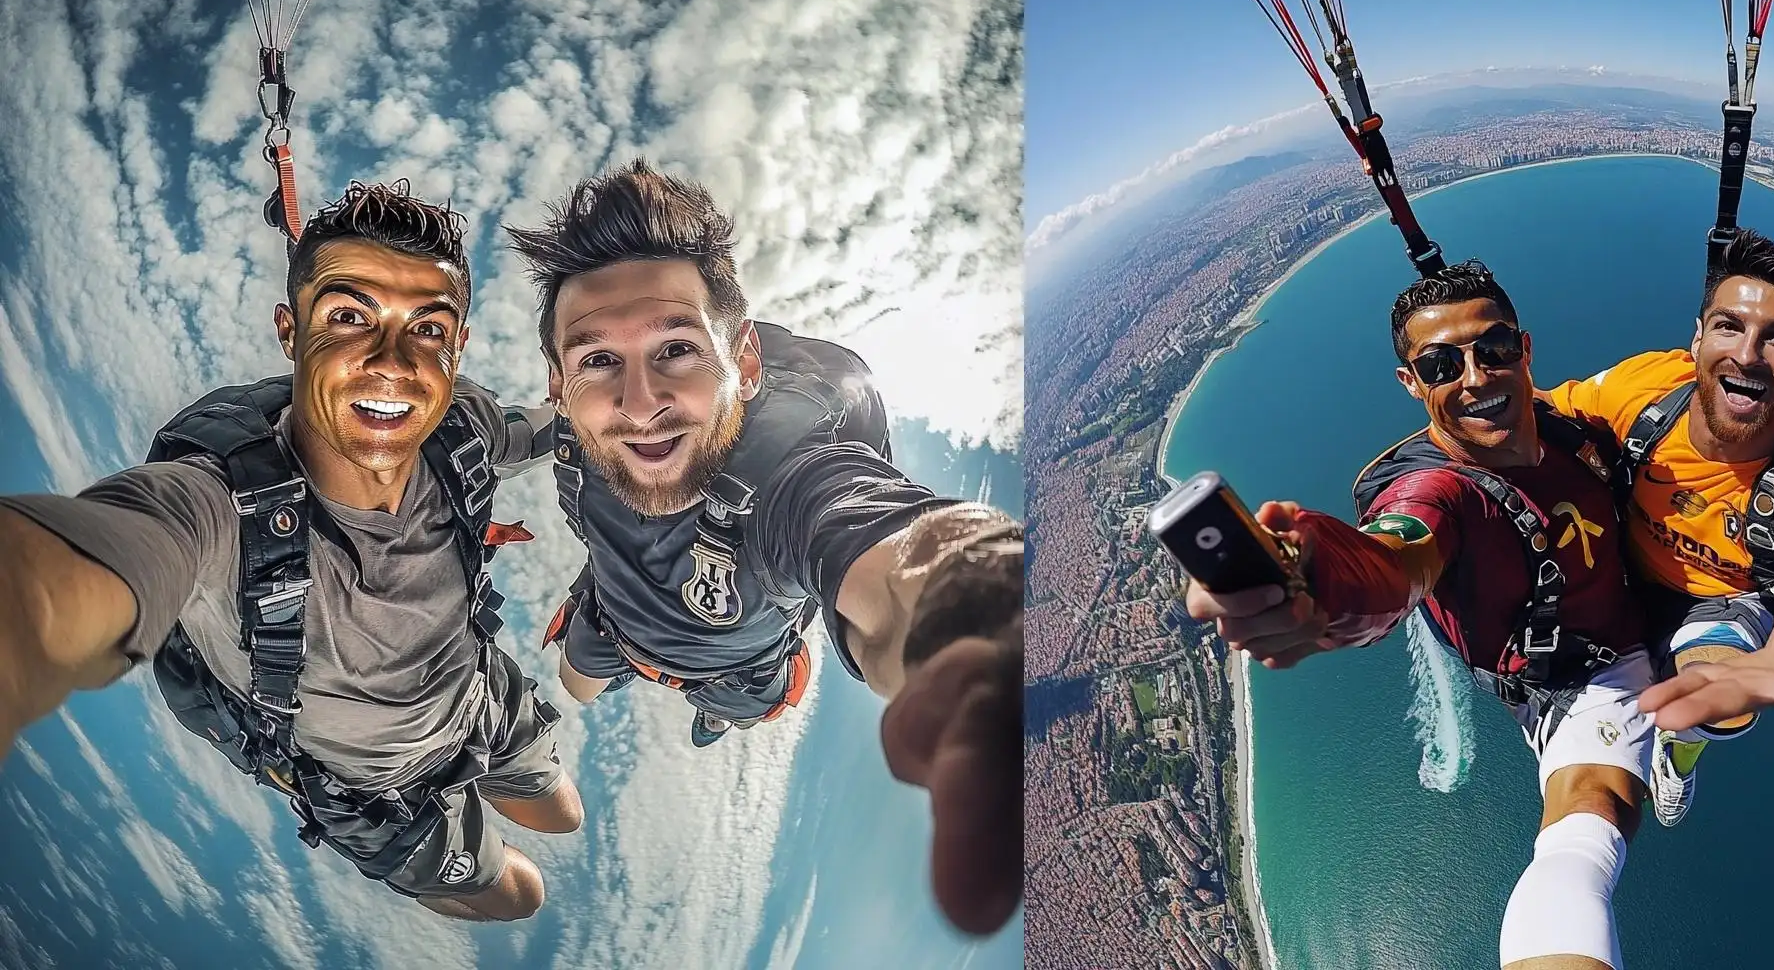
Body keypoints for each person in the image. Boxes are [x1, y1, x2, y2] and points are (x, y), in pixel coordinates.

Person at [0, 184, 583, 921]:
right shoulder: (216, 504)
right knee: (519, 897)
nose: (393, 362)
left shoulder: (460, 425)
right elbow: (86, 562)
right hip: (370, 790)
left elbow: (545, 428)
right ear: (290, 329)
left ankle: (501, 783)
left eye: (427, 329)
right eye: (348, 317)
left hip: (479, 697)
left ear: (457, 345)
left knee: (562, 812)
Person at [508, 162, 1023, 936]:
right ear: (559, 384)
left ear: (743, 365)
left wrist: (977, 613)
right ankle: (678, 685)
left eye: (676, 348)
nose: (641, 404)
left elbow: (881, 539)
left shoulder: (789, 470)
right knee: (574, 686)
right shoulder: (579, 438)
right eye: (598, 360)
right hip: (612, 616)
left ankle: (728, 708)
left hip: (733, 661)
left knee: (738, 710)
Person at [1187, 262, 1655, 970]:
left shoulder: (1568, 423)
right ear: (1412, 385)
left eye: (1492, 349)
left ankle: (1682, 734)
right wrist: (1322, 583)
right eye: (1440, 364)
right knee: (1588, 822)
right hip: (1587, 681)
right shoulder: (1438, 492)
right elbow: (1398, 556)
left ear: (1525, 350)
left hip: (1652, 608)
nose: (1475, 377)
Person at [1543, 227, 1774, 828]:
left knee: (1709, 693)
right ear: (1696, 339)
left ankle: (1678, 757)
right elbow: (1540, 417)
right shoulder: (1646, 392)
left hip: (1720, 604)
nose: (1747, 355)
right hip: (1622, 567)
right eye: (1729, 326)